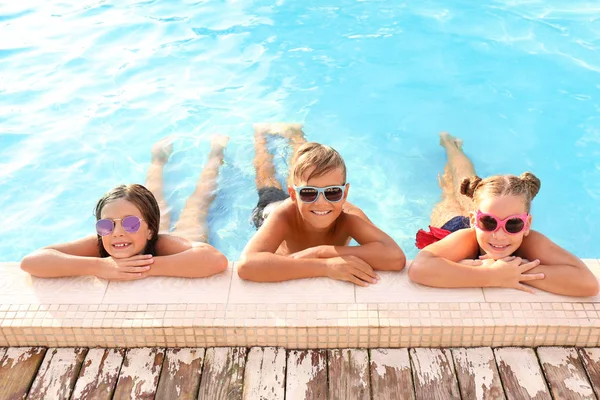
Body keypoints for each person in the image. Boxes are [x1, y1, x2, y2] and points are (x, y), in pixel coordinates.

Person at [409, 132, 599, 296]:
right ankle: (450, 145)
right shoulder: (466, 238)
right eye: (489, 222)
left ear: (527, 225)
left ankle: (455, 148)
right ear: (475, 220)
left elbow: (588, 283)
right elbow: (419, 268)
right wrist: (492, 276)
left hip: (481, 210)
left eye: (513, 224)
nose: (499, 235)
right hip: (453, 223)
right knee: (451, 192)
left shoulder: (531, 241)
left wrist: (513, 272)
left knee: (462, 189)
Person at [20, 135, 229, 280]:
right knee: (152, 200)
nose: (117, 233)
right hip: (147, 228)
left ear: (149, 231)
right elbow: (31, 261)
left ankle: (215, 153)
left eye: (129, 224)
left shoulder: (161, 243)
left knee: (196, 204)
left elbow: (215, 260)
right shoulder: (101, 244)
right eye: (106, 225)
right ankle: (158, 160)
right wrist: (101, 266)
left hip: (179, 237)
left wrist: (141, 268)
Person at [237, 123, 406, 286]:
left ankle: (296, 134)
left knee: (307, 173)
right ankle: (260, 137)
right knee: (268, 179)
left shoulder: (349, 216)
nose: (321, 202)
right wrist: (325, 267)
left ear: (345, 194)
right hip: (268, 210)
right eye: (309, 193)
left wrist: (322, 251)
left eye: (332, 192)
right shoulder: (283, 216)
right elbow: (247, 265)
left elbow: (395, 257)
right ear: (294, 195)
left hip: (301, 203)